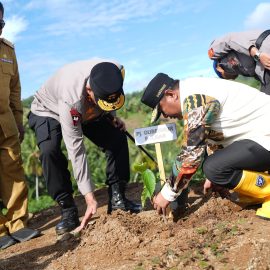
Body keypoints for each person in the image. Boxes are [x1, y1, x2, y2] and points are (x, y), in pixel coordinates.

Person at [28, 59, 141, 236]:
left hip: (90, 107)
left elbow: (110, 93)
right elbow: (76, 149)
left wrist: (112, 115)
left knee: (117, 136)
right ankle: (68, 210)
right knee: (49, 151)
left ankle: (118, 198)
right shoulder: (71, 99)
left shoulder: (116, 71)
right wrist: (89, 196)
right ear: (90, 90)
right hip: (48, 110)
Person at [141, 73, 270, 220]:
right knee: (215, 168)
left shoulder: (195, 99)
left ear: (171, 95)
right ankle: (257, 193)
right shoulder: (194, 89)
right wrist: (216, 178)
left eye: (162, 109)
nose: (165, 115)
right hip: (260, 136)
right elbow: (210, 138)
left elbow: (191, 154)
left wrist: (167, 193)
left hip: (265, 135)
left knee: (213, 167)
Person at [0, 2, 40, 250]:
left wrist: (18, 122)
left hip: (5, 122)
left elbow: (15, 90)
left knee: (13, 171)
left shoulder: (7, 51)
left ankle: (18, 223)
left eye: (0, 23)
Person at [208, 30, 270, 94]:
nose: (232, 79)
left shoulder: (213, 54)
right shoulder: (245, 71)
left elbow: (229, 39)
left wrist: (258, 55)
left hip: (263, 47)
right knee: (264, 95)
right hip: (263, 66)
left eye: (227, 79)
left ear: (219, 69)